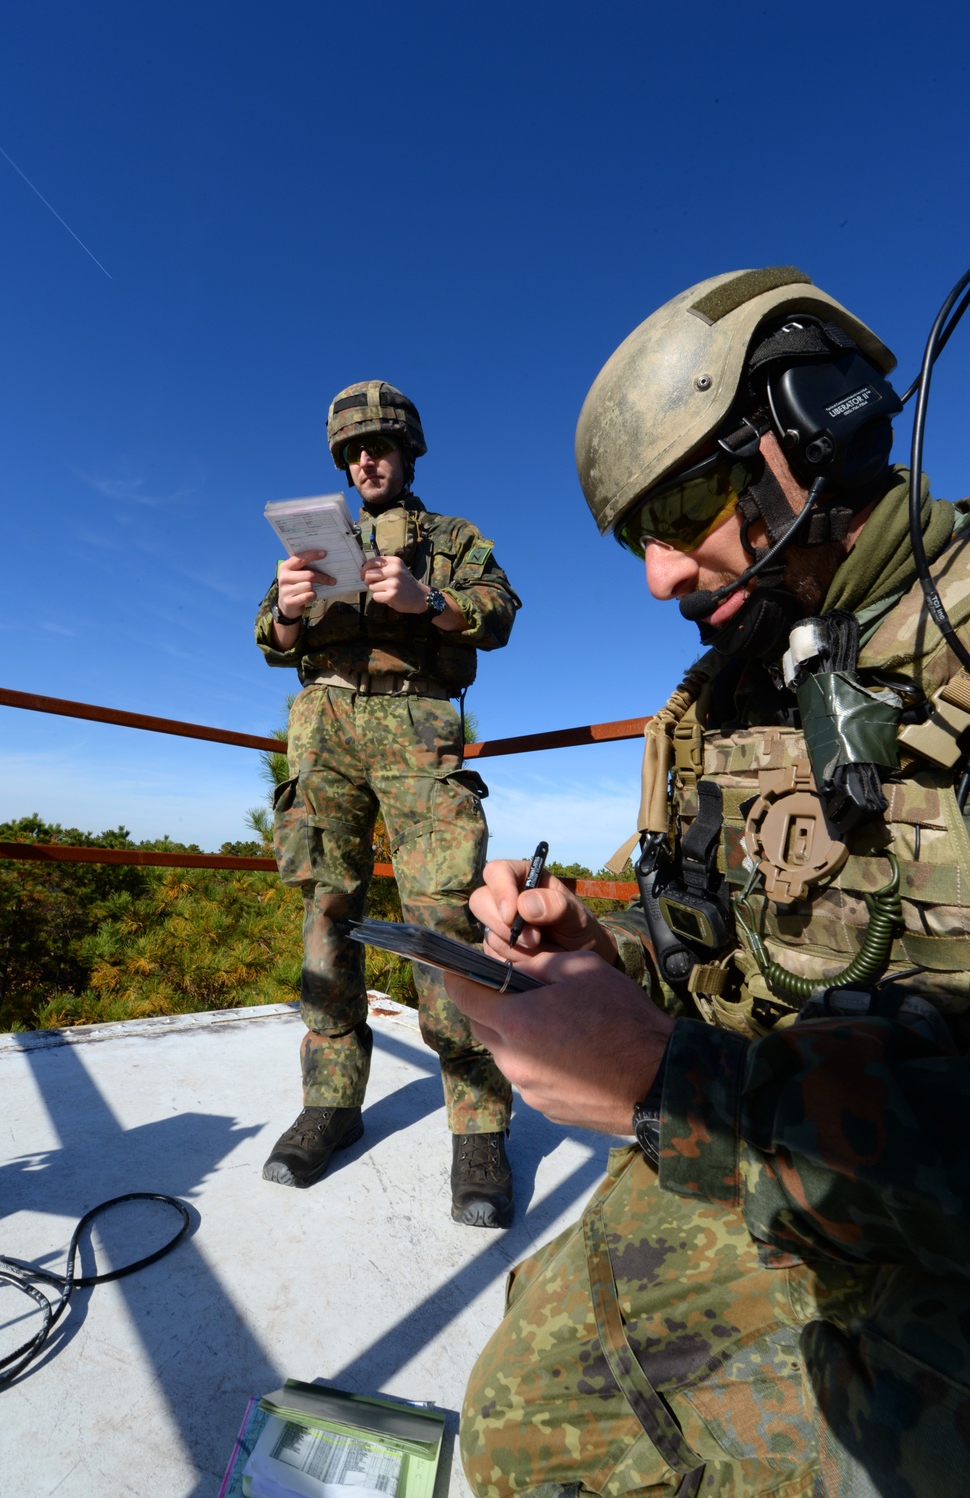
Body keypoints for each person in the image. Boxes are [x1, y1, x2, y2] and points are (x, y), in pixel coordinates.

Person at [446, 269, 970, 1492]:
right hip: (761, 1154)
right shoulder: (715, 703)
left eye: (684, 506)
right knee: (517, 1422)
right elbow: (734, 966)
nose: (659, 576)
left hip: (897, 1220)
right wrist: (603, 956)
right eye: (639, 536)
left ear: (820, 423)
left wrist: (669, 1085)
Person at [255, 380, 521, 1228]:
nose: (367, 460)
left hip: (416, 720)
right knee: (327, 910)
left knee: (441, 916)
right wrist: (290, 614)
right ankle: (330, 1103)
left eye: (380, 446)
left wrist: (428, 601)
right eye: (353, 451)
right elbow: (268, 636)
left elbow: (501, 611)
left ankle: (478, 1125)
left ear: (408, 454)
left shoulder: (450, 538)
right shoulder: (310, 543)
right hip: (324, 723)